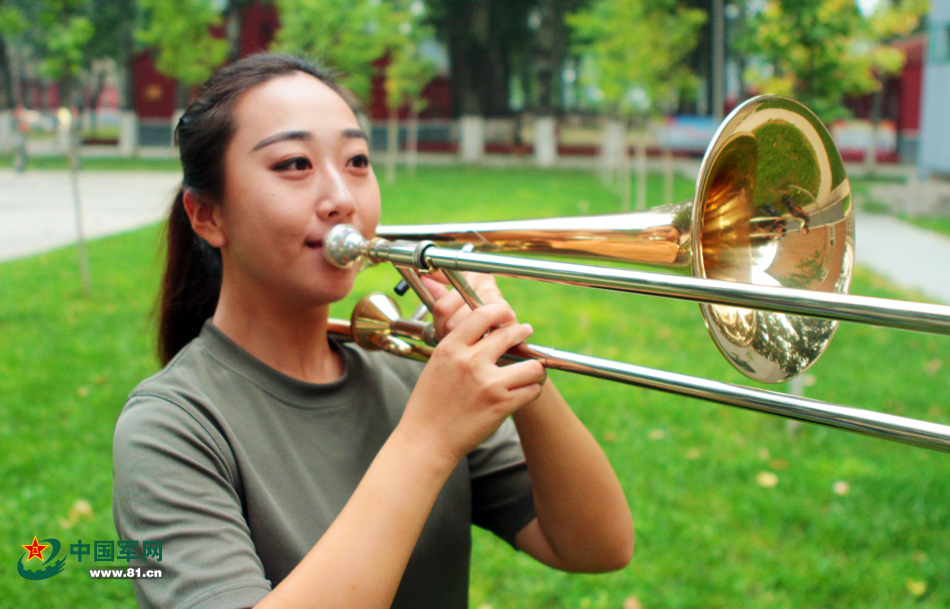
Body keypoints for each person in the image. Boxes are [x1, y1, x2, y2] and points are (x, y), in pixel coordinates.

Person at [112, 53, 633, 609]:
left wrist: (510, 357)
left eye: (357, 160)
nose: (343, 199)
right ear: (208, 216)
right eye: (294, 164)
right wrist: (428, 439)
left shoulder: (411, 372)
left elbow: (597, 545)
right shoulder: (169, 428)